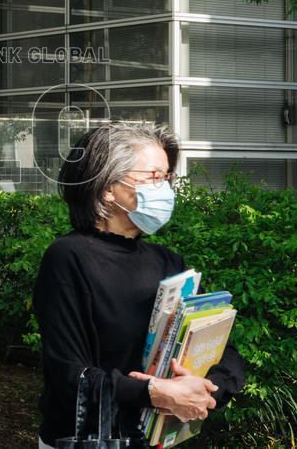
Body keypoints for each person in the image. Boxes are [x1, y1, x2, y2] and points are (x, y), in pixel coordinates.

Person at [34, 122, 245, 448]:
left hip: (162, 438)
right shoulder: (68, 257)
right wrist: (157, 393)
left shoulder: (169, 262)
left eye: (167, 177)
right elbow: (68, 375)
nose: (165, 189)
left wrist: (207, 387)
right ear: (107, 187)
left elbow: (223, 349)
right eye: (153, 177)